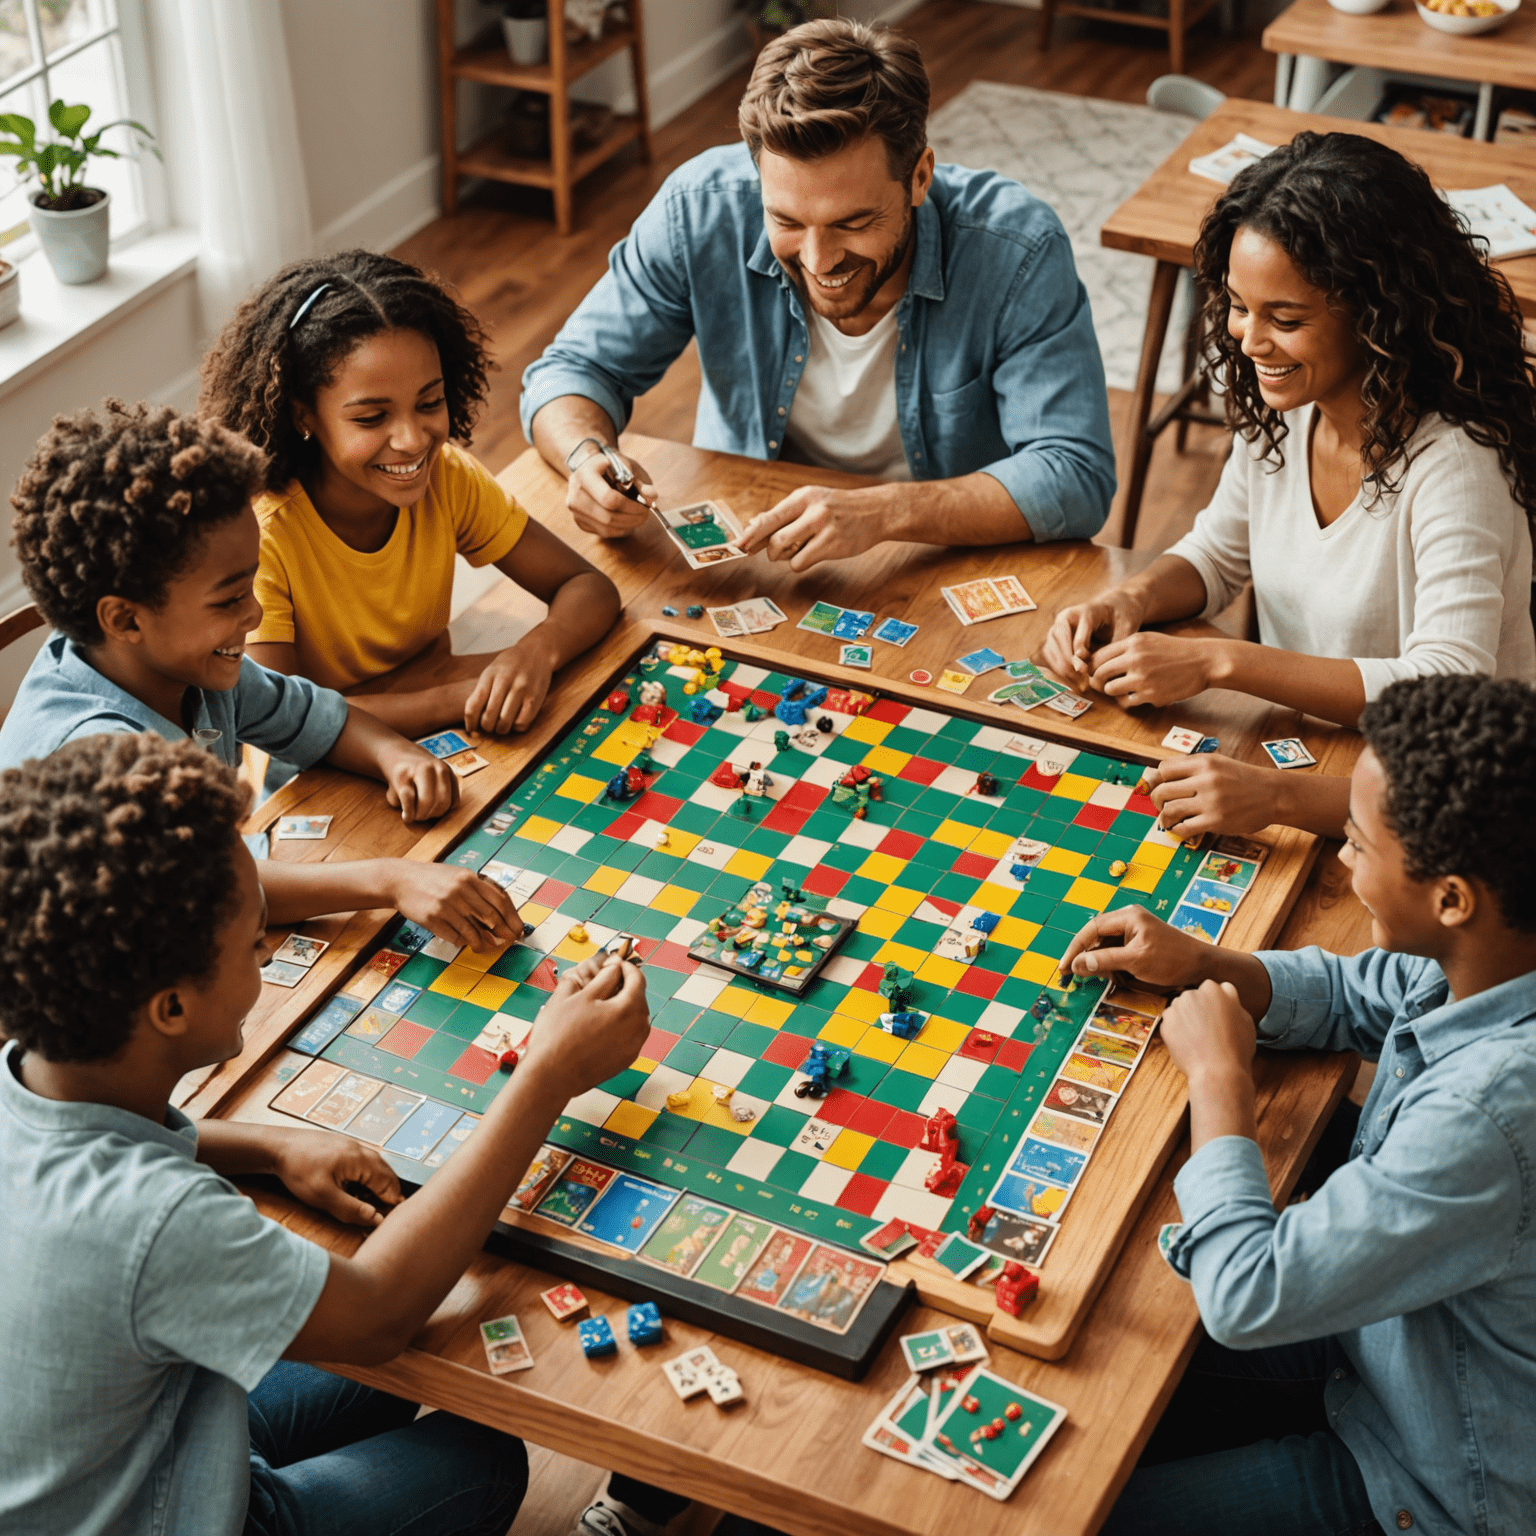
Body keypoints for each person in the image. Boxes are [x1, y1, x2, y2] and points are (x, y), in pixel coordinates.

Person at [0, 731, 650, 1536]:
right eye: (251, 942)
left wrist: (267, 1145)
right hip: (168, 1515)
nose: (268, 946)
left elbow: (90, 1145)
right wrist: (546, 1075)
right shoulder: (156, 1223)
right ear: (170, 1008)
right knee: (482, 1456)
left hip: (136, 1444)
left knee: (421, 1362)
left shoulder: (32, 1065)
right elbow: (379, 1311)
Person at [1054, 674, 1536, 1536]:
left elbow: (1246, 1294)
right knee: (1083, 1358)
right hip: (1393, 1347)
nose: (1342, 857)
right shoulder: (1494, 954)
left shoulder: (1490, 1114)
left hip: (1432, 1490)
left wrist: (1219, 1081)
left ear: (1452, 898)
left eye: (1356, 842)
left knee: (1058, 1521)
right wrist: (1204, 961)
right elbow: (1359, 992)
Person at [1042, 132, 1536, 840]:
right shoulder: (1286, 411)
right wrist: (1129, 600)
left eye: (1286, 318)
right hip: (1326, 756)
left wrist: (1219, 662)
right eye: (1240, 305)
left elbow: (1442, 691)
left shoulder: (1456, 465)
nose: (1247, 340)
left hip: (1455, 816)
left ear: (1379, 316)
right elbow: (1218, 554)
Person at [521, 18, 1115, 568]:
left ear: (920, 176)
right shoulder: (698, 208)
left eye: (852, 224)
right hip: (754, 550)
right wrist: (586, 456)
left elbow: (1074, 473)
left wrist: (888, 511)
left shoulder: (1017, 250)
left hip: (939, 552)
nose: (817, 259)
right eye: (786, 221)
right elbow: (571, 370)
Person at [0, 401, 522, 953]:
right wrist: (393, 879)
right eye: (229, 599)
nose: (253, 615)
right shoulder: (94, 759)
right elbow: (219, 890)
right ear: (125, 618)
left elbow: (309, 714)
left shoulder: (181, 663)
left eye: (251, 584)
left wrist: (392, 753)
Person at [200, 248, 621, 739]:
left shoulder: (445, 477)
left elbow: (590, 589)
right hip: (315, 766)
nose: (413, 439)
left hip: (433, 712)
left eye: (430, 402)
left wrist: (537, 649)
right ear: (303, 416)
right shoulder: (262, 537)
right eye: (371, 417)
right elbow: (280, 719)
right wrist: (453, 698)